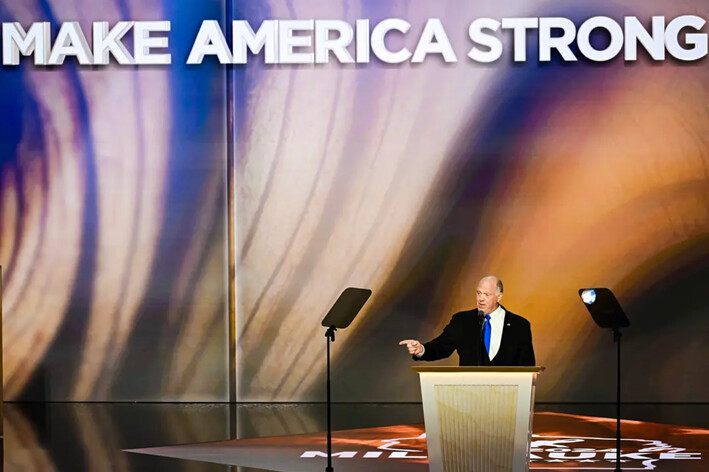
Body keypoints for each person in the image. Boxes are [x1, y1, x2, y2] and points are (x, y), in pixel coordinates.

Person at [399, 275, 535, 366]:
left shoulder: (519, 326)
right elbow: (441, 347)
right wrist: (421, 349)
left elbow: (528, 367)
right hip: (470, 397)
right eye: (478, 293)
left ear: (499, 297)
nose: (480, 299)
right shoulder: (462, 321)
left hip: (507, 399)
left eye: (486, 295)